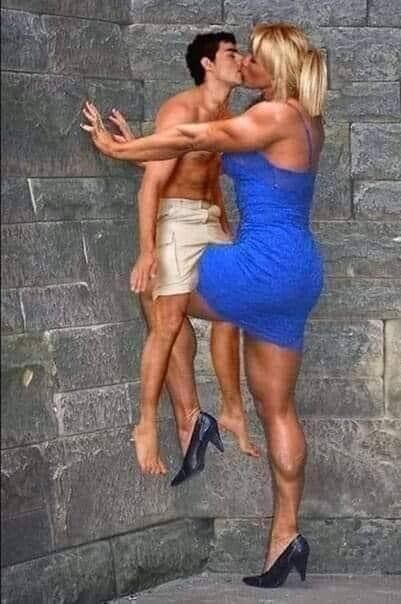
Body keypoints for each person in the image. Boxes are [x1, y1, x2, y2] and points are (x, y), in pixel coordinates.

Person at [82, 22, 327, 589]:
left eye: (254, 58)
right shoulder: (309, 119)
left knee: (158, 293)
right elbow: (198, 143)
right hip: (299, 272)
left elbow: (194, 137)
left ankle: (186, 416)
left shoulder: (273, 115)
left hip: (263, 266)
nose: (246, 64)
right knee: (279, 410)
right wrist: (147, 147)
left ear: (277, 66)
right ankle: (285, 538)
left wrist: (121, 149)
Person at [109, 32, 259, 481]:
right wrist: (146, 251)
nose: (240, 60)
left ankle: (225, 412)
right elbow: (154, 184)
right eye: (232, 53)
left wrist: (226, 227)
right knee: (167, 322)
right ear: (208, 64)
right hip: (176, 221)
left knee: (232, 307)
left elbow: (190, 164)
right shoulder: (180, 108)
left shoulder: (229, 114)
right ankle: (147, 425)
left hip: (212, 222)